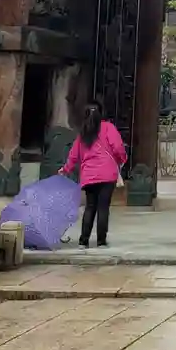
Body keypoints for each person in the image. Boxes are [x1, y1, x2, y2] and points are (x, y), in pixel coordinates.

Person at [59, 103, 128, 248]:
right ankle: (101, 241)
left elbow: (73, 156)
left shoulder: (83, 134)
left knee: (90, 207)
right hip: (107, 174)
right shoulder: (108, 128)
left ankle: (83, 241)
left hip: (89, 176)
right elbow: (118, 147)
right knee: (103, 207)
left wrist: (65, 169)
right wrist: (122, 159)